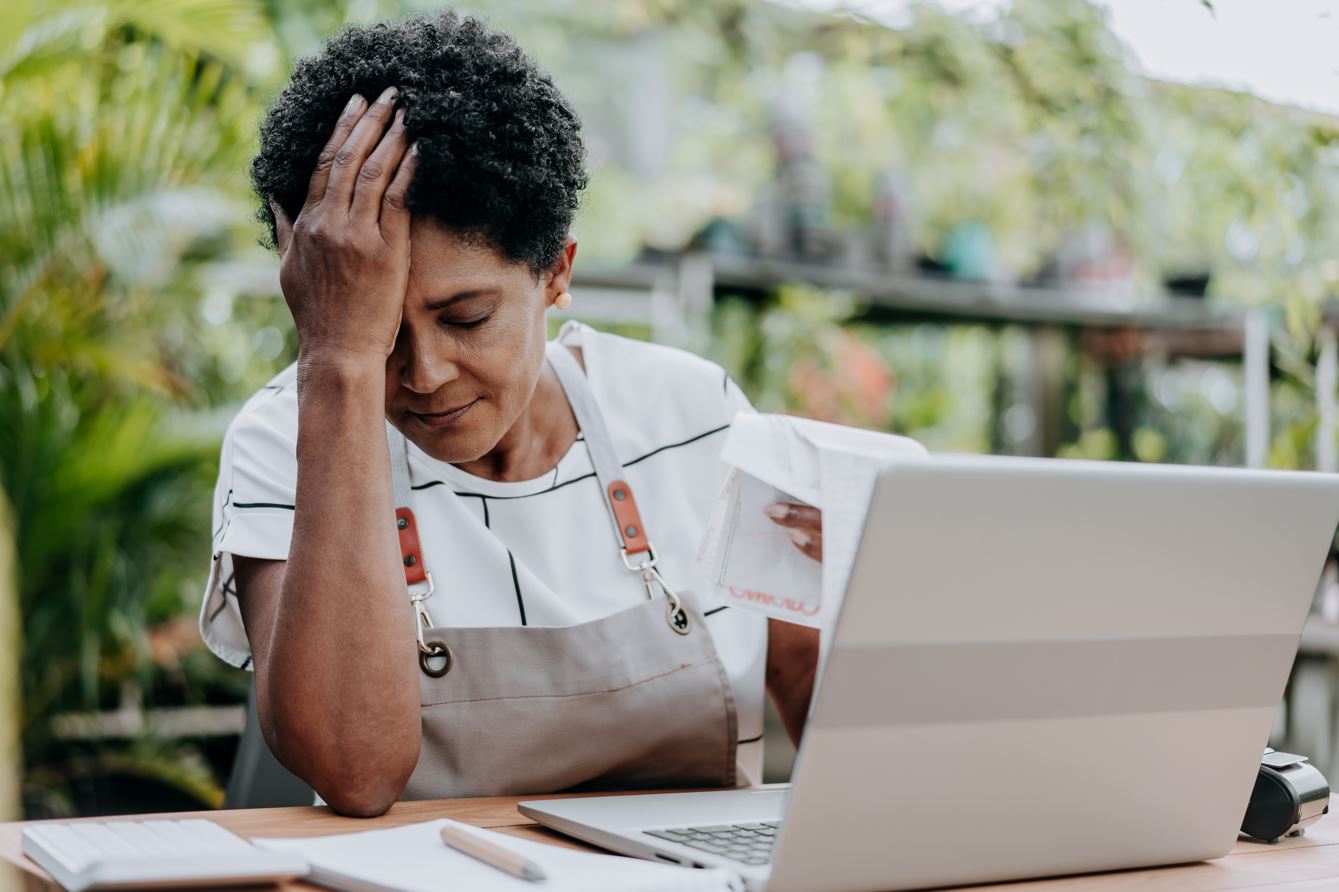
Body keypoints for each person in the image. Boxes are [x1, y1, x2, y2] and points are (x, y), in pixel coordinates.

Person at [199, 10, 823, 817]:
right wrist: (339, 362)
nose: (422, 374)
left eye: (465, 318)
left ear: (556, 274)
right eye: (380, 328)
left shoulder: (693, 412)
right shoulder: (286, 436)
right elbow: (352, 768)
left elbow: (813, 684)